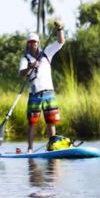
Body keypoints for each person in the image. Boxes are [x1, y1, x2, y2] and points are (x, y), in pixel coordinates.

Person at [19, 21, 66, 153]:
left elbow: (60, 42)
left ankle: (53, 146)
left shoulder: (46, 53)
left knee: (51, 121)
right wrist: (30, 66)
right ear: (27, 44)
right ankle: (29, 149)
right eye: (30, 42)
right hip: (35, 94)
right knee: (32, 122)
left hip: (49, 93)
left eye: (34, 42)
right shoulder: (25, 58)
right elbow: (21, 73)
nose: (32, 44)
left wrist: (59, 29)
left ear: (38, 43)